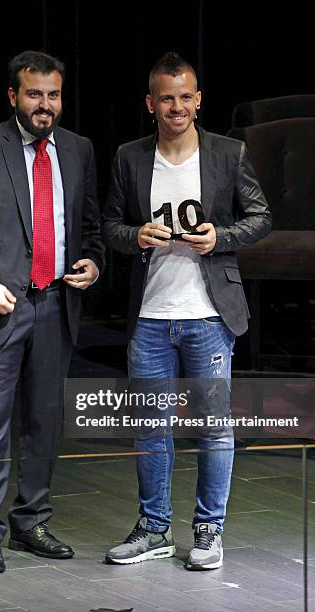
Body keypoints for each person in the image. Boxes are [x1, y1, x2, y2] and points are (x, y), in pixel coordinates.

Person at [102, 52, 271, 569]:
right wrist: (136, 235)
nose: (177, 106)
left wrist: (221, 236)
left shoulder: (227, 152)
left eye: (185, 97)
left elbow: (261, 216)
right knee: (150, 427)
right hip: (150, 316)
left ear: (199, 101)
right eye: (166, 98)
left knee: (214, 427)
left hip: (209, 315)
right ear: (150, 104)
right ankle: (154, 529)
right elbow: (109, 227)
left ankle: (207, 531)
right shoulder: (130, 157)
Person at [0, 50, 104, 574]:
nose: (45, 105)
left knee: (43, 422)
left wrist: (94, 264)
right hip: (1, 308)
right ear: (13, 96)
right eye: (35, 94)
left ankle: (31, 522)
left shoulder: (78, 150)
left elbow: (92, 229)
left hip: (57, 303)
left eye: (53, 95)